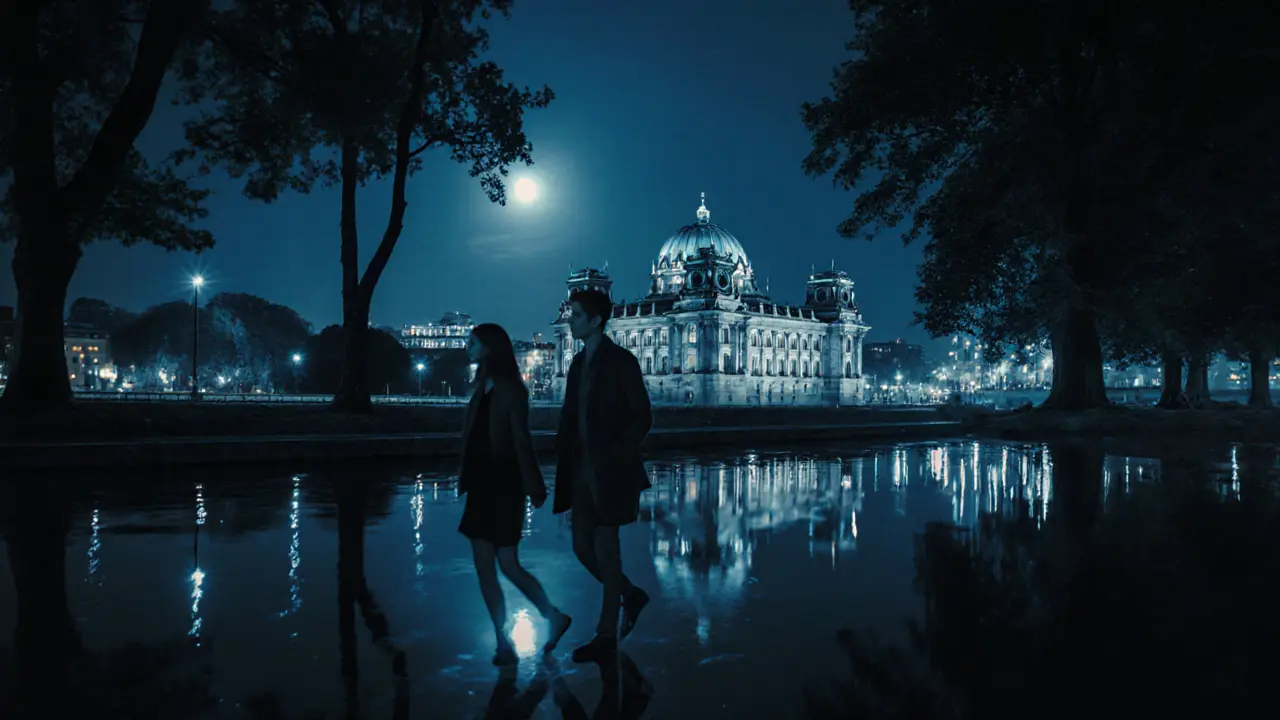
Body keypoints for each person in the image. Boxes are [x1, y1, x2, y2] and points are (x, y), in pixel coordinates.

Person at [458, 323, 572, 666]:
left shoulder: (511, 390)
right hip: (481, 483)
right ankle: (502, 640)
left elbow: (522, 441)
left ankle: (551, 617)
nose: (468, 347)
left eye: (473, 342)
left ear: (489, 348)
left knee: (506, 564)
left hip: (503, 484)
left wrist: (534, 486)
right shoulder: (484, 387)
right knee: (485, 566)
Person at [552, 289, 653, 663]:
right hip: (580, 470)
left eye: (576, 315)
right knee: (582, 547)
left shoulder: (621, 361)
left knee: (608, 553)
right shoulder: (578, 363)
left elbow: (642, 416)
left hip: (609, 472)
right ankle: (630, 594)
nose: (570, 320)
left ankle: (606, 633)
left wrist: (615, 456)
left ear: (596, 320)